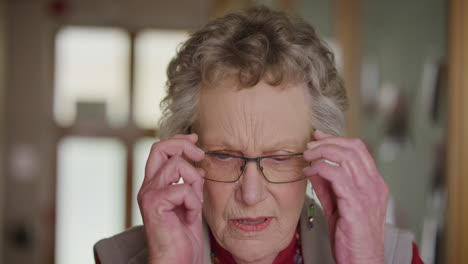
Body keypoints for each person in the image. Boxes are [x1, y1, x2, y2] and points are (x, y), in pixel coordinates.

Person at [94, 6, 424, 264]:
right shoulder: (116, 258)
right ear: (184, 156)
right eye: (223, 155)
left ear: (319, 160)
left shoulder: (393, 256)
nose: (250, 194)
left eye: (280, 157)